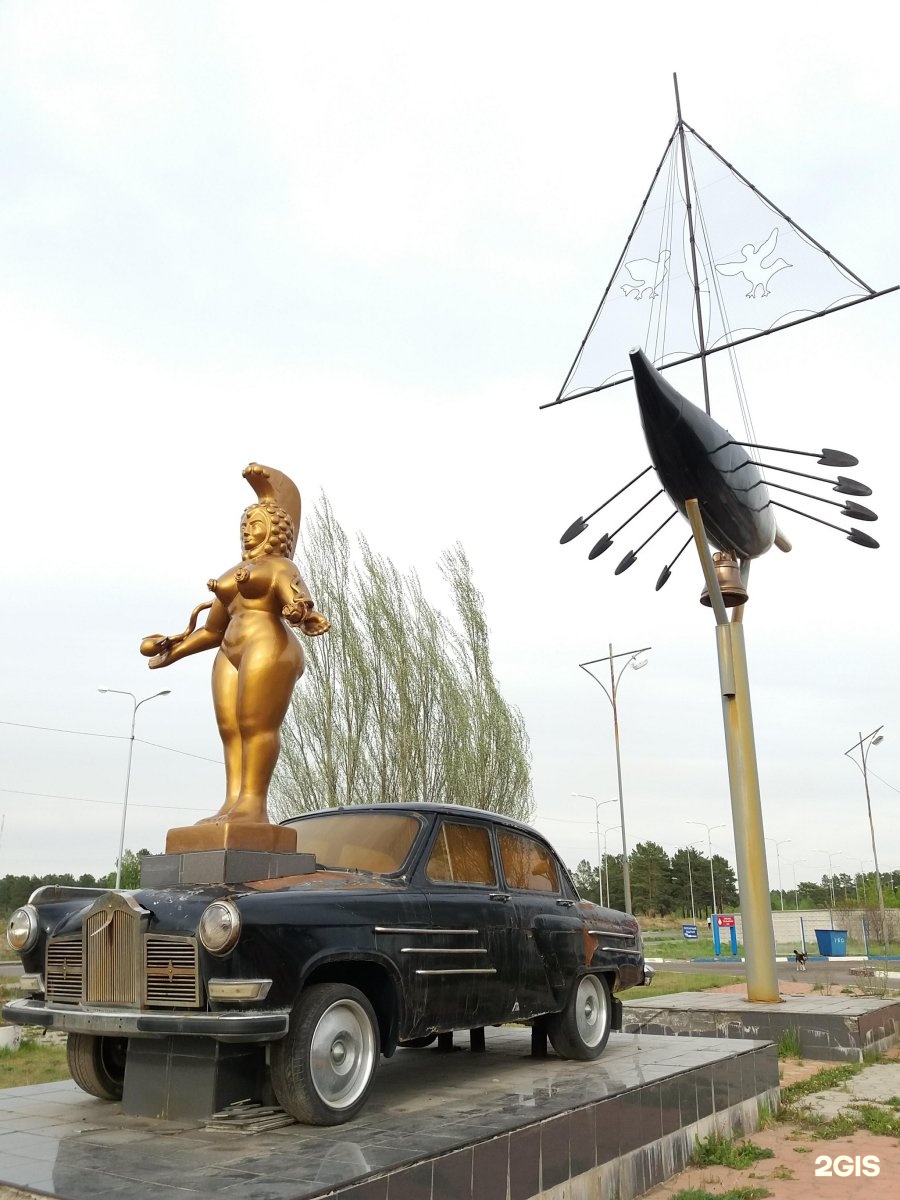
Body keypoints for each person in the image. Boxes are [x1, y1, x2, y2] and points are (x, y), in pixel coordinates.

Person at [140, 463, 329, 826]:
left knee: (255, 724)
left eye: (256, 526)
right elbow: (212, 630)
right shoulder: (229, 573)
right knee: (230, 729)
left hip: (268, 645)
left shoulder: (280, 568)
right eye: (244, 527)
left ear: (275, 530)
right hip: (229, 651)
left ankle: (253, 805)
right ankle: (231, 802)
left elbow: (299, 602)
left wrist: (299, 612)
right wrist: (173, 652)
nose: (248, 533)